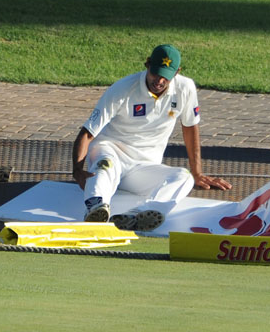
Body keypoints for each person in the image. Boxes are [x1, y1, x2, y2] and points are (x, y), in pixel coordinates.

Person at [72, 44, 232, 231]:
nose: (160, 80)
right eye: (155, 73)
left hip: (145, 166)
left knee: (184, 178)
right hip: (112, 151)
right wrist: (77, 171)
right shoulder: (122, 88)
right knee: (103, 168)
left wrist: (197, 173)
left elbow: (190, 127)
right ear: (147, 65)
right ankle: (96, 207)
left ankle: (141, 214)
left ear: (177, 72)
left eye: (166, 75)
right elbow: (87, 132)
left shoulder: (185, 88)